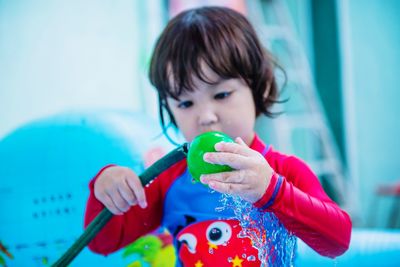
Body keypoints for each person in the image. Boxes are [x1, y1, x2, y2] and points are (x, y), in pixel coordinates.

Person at [84, 6, 352, 266]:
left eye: (221, 95)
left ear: (260, 87)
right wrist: (105, 192)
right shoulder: (169, 180)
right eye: (186, 104)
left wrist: (272, 192)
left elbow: (337, 241)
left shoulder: (283, 172)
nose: (206, 116)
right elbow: (103, 243)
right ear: (169, 108)